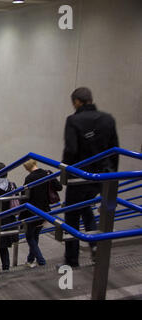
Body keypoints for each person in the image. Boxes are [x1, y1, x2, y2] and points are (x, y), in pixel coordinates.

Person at [62, 87, 119, 267]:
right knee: (87, 209)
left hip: (80, 177)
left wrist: (66, 173)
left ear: (77, 101)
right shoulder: (108, 119)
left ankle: (72, 260)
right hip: (102, 177)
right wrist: (112, 177)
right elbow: (115, 150)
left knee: (71, 217)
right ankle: (95, 247)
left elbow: (70, 150)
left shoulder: (73, 120)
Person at [20, 160, 62, 268]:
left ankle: (41, 260)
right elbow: (59, 187)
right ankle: (30, 260)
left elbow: (24, 198)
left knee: (29, 236)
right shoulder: (48, 173)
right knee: (35, 234)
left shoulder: (29, 178)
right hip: (45, 210)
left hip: (32, 211)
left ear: (27, 168)